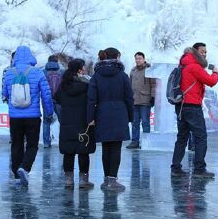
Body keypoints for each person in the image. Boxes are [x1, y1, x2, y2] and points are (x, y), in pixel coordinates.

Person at [2, 46, 54, 186]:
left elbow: (5, 94)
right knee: (32, 145)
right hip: (32, 117)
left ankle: (17, 176)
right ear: (31, 57)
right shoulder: (37, 73)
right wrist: (49, 112)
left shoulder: (9, 73)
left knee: (16, 144)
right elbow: (46, 95)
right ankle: (24, 168)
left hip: (14, 117)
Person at [171, 43, 218, 179]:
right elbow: (211, 81)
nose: (204, 54)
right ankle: (199, 168)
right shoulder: (194, 66)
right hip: (192, 106)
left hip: (181, 105)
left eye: (206, 51)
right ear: (195, 52)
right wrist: (215, 72)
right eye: (202, 51)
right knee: (200, 137)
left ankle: (175, 167)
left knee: (182, 137)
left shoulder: (183, 65)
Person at [87, 47, 133, 192]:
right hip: (120, 112)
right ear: (117, 57)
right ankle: (112, 179)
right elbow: (129, 98)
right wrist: (130, 116)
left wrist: (90, 117)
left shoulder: (96, 76)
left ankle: (106, 179)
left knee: (106, 147)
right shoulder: (123, 76)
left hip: (102, 112)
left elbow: (91, 99)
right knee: (116, 147)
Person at [54, 59, 95, 188]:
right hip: (83, 122)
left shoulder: (64, 85)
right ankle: (83, 180)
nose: (84, 69)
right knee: (83, 151)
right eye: (82, 67)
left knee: (68, 151)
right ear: (79, 70)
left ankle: (68, 180)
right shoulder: (87, 85)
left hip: (67, 122)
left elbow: (57, 99)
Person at [127, 51, 155, 149]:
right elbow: (129, 85)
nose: (138, 60)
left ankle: (146, 142)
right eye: (136, 58)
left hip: (145, 100)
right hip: (134, 100)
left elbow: (153, 84)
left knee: (145, 122)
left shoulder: (149, 70)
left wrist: (153, 97)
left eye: (139, 58)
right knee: (134, 122)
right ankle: (135, 141)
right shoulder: (133, 71)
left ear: (143, 59)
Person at [42, 55, 64, 148]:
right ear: (57, 62)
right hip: (60, 100)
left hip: (47, 100)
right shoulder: (62, 72)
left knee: (46, 122)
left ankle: (46, 143)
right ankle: (63, 141)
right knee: (62, 121)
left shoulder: (43, 72)